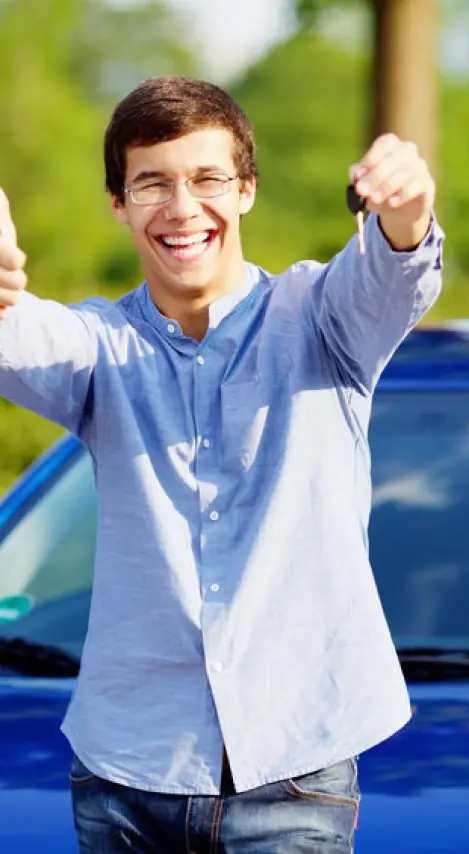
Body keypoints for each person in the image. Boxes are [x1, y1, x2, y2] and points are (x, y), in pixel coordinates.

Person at [0, 76, 444, 853]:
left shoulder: (322, 318)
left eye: (206, 179)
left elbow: (391, 269)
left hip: (293, 772)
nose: (180, 207)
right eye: (152, 184)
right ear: (118, 203)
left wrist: (406, 207)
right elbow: (25, 334)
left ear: (245, 190)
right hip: (124, 776)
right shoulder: (99, 346)